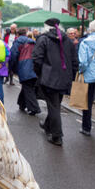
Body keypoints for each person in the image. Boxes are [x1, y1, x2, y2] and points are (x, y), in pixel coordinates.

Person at [32, 18, 78, 146]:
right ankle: (47, 125)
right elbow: (75, 61)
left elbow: (36, 59)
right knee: (55, 104)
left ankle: (57, 136)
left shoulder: (43, 39)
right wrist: (71, 76)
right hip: (64, 78)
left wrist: (40, 73)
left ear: (46, 27)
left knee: (54, 106)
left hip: (49, 78)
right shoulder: (67, 40)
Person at [10, 28, 41, 116]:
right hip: (34, 66)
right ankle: (21, 104)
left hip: (24, 65)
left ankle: (34, 108)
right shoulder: (33, 42)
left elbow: (13, 55)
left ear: (17, 34)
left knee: (28, 87)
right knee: (27, 85)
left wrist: (12, 68)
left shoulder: (18, 42)